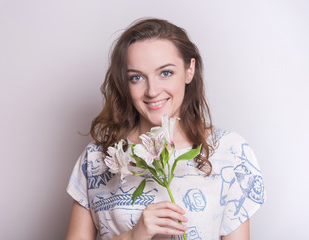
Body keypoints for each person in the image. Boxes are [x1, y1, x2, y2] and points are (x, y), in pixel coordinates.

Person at [65, 18, 265, 240]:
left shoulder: (229, 151)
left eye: (166, 73)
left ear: (190, 70)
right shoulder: (96, 159)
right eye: (137, 77)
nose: (152, 90)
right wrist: (133, 236)